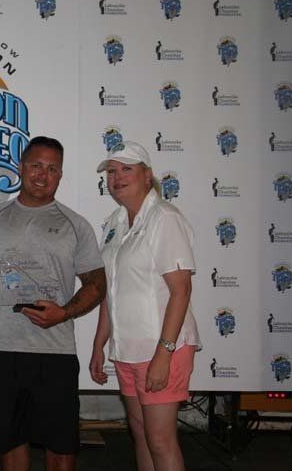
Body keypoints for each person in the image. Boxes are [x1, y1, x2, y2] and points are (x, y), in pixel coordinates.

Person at [0, 136, 107, 471]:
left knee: (62, 447)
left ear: (60, 175)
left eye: (52, 168)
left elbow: (97, 285)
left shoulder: (75, 225)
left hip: (55, 354)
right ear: (21, 168)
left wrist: (64, 313)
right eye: (36, 165)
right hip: (1, 351)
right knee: (10, 444)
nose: (43, 174)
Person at [89, 141, 201, 471]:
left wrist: (163, 354)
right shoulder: (114, 223)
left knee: (160, 440)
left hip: (162, 349)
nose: (117, 177)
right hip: (127, 350)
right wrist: (99, 345)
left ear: (147, 175)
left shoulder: (164, 218)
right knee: (141, 435)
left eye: (127, 169)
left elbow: (181, 292)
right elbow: (111, 291)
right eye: (111, 171)